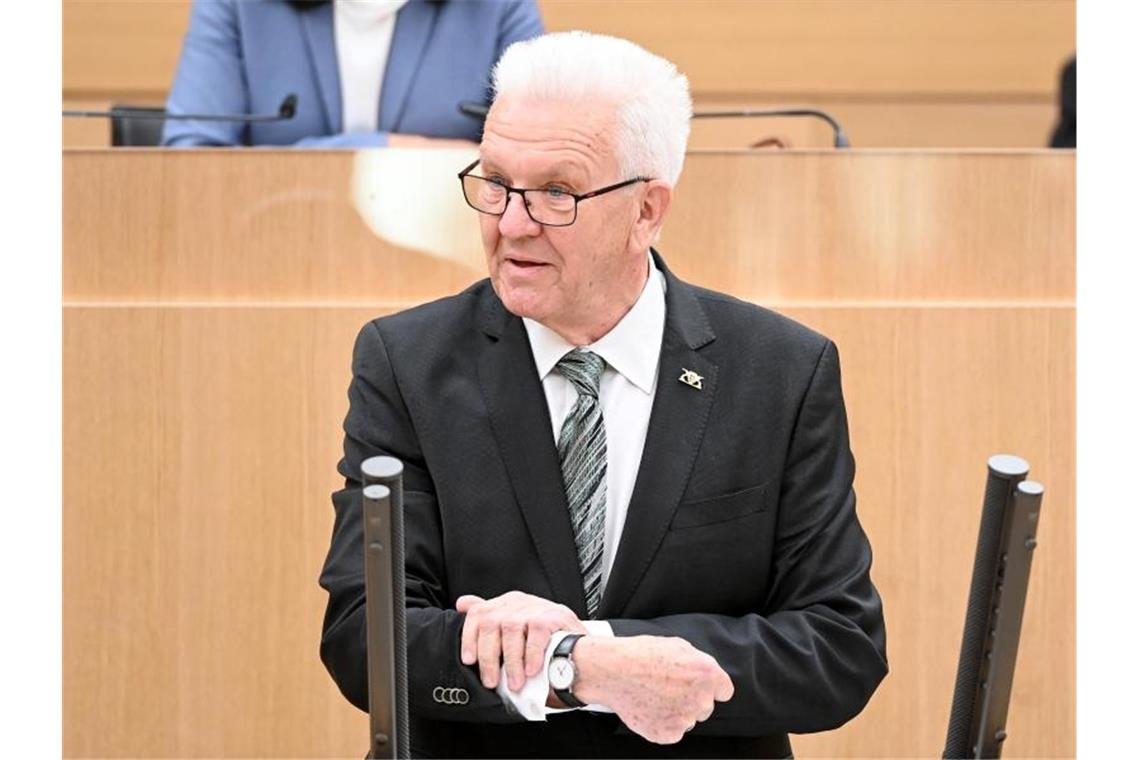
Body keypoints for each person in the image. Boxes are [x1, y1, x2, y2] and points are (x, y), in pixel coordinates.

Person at [319, 31, 888, 758]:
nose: (511, 223)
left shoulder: (779, 371)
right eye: (494, 182)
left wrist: (613, 651)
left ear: (648, 211)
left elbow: (838, 648)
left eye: (557, 192)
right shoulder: (406, 362)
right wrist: (571, 667)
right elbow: (365, 637)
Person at [161, 0, 543, 147]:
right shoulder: (236, 6)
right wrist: (386, 149)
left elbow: (538, 152)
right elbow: (192, 158)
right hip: (271, 246)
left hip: (448, 262)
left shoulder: (499, 6)